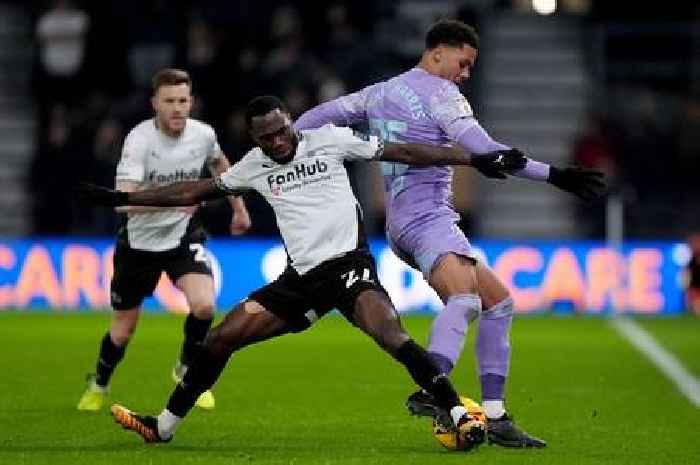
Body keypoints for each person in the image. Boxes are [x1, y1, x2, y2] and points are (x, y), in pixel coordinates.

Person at [79, 95, 520, 446]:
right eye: (267, 137)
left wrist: (472, 159)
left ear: (290, 121)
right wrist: (121, 199)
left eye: (282, 130)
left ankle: (458, 412)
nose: (278, 142)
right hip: (302, 281)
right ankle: (164, 427)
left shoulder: (329, 139)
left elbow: (403, 149)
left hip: (350, 267)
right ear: (255, 139)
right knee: (220, 338)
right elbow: (193, 190)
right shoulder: (253, 167)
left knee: (391, 334)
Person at [294, 19, 605, 448]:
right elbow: (485, 149)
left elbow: (320, 117)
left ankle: (494, 417)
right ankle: (433, 387)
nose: (466, 74)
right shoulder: (442, 94)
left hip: (402, 222)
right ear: (438, 51)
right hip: (427, 220)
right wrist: (555, 175)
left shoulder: (378, 93)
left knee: (499, 303)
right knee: (466, 298)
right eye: (464, 63)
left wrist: (286, 139)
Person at [76, 68, 252, 413]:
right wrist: (179, 199)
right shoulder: (139, 141)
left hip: (183, 237)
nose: (177, 108)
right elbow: (124, 201)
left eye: (183, 100)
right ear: (155, 103)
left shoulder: (203, 135)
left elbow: (221, 166)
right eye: (169, 101)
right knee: (123, 330)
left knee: (204, 305)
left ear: (191, 102)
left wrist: (239, 208)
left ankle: (186, 368)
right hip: (139, 245)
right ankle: (99, 382)